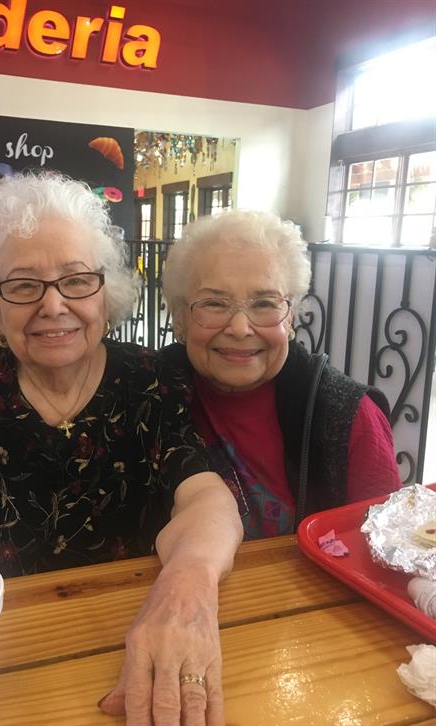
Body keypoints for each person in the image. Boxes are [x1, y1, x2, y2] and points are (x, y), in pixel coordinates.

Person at [0, 172, 242, 726]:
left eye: (77, 280)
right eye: (25, 285)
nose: (53, 306)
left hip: (115, 666)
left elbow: (204, 496)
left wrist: (189, 585)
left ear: (106, 292)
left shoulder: (149, 381)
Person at [160, 210, 401, 539]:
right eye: (214, 303)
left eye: (264, 303)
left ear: (290, 319)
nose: (240, 328)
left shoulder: (348, 416)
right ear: (179, 319)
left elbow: (382, 549)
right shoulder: (152, 389)